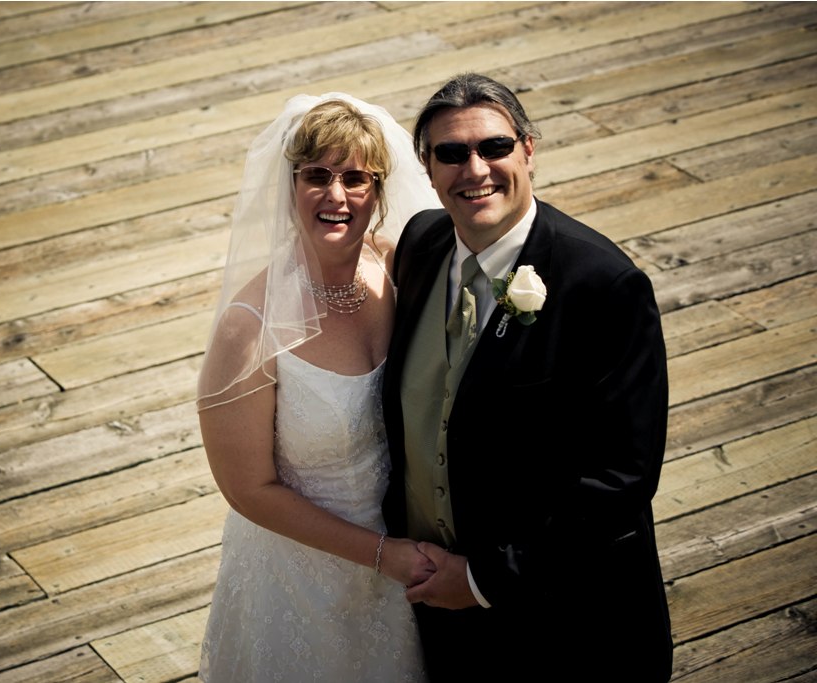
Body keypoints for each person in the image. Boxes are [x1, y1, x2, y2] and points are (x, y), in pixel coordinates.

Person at [381, 73, 673, 682]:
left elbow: (620, 478)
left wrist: (485, 579)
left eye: (494, 147)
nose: (475, 169)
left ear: (529, 149)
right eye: (452, 154)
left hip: (565, 623)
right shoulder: (420, 244)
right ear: (427, 168)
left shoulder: (604, 286)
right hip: (435, 608)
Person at [197, 93, 442, 681]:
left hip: (409, 553)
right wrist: (383, 556)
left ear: (378, 193)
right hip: (299, 572)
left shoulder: (394, 269)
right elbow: (249, 490)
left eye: (356, 178)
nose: (337, 196)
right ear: (290, 188)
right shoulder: (247, 327)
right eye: (318, 176)